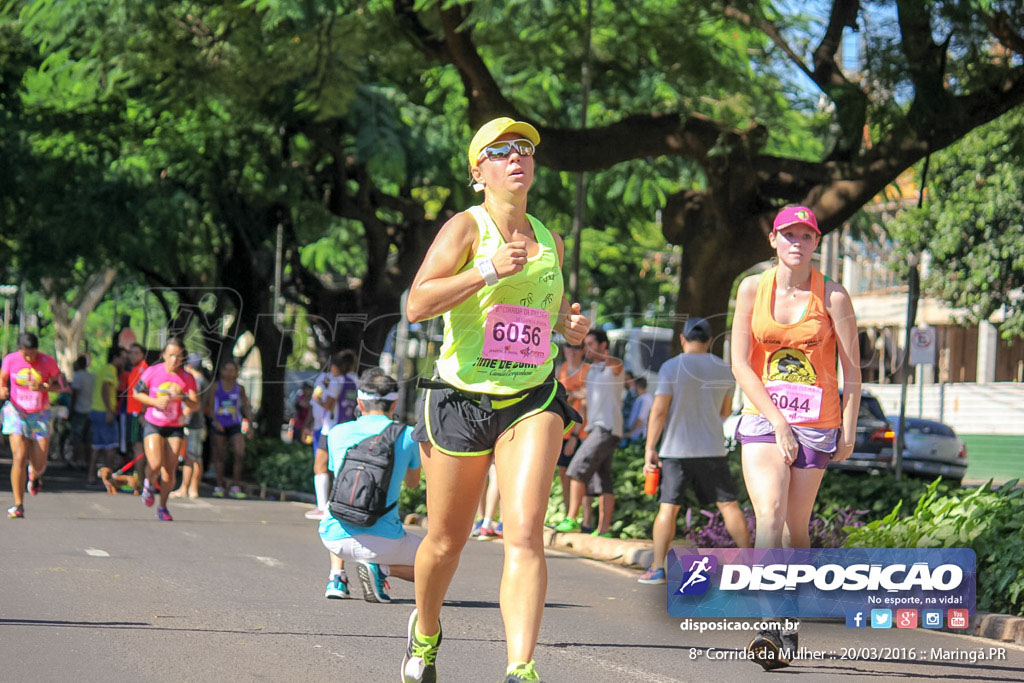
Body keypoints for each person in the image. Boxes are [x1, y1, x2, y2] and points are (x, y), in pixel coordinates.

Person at [402, 117, 590, 683]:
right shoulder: (466, 228)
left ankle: (520, 667)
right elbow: (416, 304)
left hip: (531, 398)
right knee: (444, 541)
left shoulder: (550, 239)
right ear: (477, 171)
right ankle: (426, 632)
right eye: (502, 150)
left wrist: (571, 327)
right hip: (460, 400)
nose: (518, 158)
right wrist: (485, 270)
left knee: (525, 530)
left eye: (526, 150)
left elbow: (551, 315)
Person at [730, 206, 861, 669]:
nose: (796, 243)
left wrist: (848, 429)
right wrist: (778, 422)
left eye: (806, 235)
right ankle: (770, 623)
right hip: (764, 420)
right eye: (789, 234)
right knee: (768, 513)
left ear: (816, 243)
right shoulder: (751, 289)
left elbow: (853, 373)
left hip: (818, 423)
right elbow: (740, 364)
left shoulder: (835, 297)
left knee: (794, 529)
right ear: (773, 239)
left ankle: (789, 618)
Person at [638, 317, 750, 585]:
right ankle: (751, 566)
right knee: (729, 505)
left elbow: (660, 410)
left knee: (669, 508)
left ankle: (657, 569)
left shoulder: (670, 367)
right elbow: (724, 412)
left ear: (682, 339)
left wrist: (650, 447)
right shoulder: (724, 369)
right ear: (710, 340)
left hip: (675, 449)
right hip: (712, 448)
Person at [319, 368, 421, 602]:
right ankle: (383, 570)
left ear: (360, 403)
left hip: (334, 537)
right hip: (385, 543)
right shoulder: (407, 435)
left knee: (339, 502)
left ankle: (337, 576)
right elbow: (414, 484)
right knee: (439, 560)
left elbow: (341, 481)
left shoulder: (337, 432)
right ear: (394, 405)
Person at [556, 328, 624, 538]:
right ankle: (603, 529)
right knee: (603, 479)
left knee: (576, 469)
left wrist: (599, 356)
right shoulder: (591, 371)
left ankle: (571, 519)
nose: (587, 348)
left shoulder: (614, 367)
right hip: (596, 427)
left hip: (607, 427)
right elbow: (584, 398)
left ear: (604, 345)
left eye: (592, 344)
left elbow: (615, 363)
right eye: (586, 344)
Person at [131, 337, 200, 522]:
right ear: (164, 355)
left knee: (169, 471)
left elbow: (196, 404)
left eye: (178, 357)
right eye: (170, 356)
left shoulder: (187, 378)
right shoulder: (153, 372)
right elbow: (136, 392)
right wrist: (154, 402)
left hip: (175, 427)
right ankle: (148, 484)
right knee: (154, 464)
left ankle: (162, 506)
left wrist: (183, 397)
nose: (174, 360)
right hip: (153, 423)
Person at [1, 333, 62, 518]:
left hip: (40, 413)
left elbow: (61, 385)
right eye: (26, 354)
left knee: (39, 462)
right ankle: (18, 504)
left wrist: (44, 388)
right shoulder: (10, 360)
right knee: (18, 456)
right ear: (20, 350)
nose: (30, 358)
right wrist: (2, 390)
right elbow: (2, 380)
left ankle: (35, 475)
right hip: (16, 412)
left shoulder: (48, 361)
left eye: (33, 354)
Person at [305, 350, 355, 520]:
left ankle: (322, 507)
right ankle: (343, 505)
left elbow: (328, 405)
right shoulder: (354, 381)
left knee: (320, 466)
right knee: (341, 468)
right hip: (348, 427)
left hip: (331, 429)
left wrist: (317, 398)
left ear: (335, 367)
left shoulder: (336, 381)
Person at [206, 358, 253, 498]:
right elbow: (209, 407)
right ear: (222, 371)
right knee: (220, 455)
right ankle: (219, 485)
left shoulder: (239, 388)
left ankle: (235, 486)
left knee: (239, 453)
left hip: (235, 424)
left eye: (233, 370)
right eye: (227, 369)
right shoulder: (215, 386)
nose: (230, 372)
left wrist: (249, 424)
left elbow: (245, 406)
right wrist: (215, 421)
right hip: (219, 424)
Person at [553, 342, 589, 519]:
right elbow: (559, 399)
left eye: (576, 348)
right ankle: (568, 515)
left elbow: (585, 403)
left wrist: (575, 435)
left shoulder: (587, 370)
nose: (571, 351)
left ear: (583, 350)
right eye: (568, 347)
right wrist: (574, 395)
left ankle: (580, 517)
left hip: (580, 432)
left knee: (578, 476)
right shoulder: (562, 369)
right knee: (564, 475)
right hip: (562, 431)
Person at [87, 347, 128, 488]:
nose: (124, 360)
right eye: (122, 357)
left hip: (96, 410)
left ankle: (91, 476)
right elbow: (105, 388)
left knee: (97, 446)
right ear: (115, 357)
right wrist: (110, 411)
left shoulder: (104, 368)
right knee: (110, 446)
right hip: (104, 411)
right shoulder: (110, 369)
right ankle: (110, 480)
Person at [171, 353, 210, 500]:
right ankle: (192, 488)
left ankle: (187, 488)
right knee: (196, 457)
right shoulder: (204, 380)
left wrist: (184, 418)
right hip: (200, 423)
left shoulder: (196, 381)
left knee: (190, 458)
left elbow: (193, 404)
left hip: (192, 424)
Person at [124, 343, 149, 486]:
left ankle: (140, 482)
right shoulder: (135, 368)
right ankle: (140, 480)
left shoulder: (143, 369)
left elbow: (145, 390)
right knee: (136, 447)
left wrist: (142, 412)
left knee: (139, 448)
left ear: (142, 355)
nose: (132, 355)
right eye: (130, 352)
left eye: (136, 353)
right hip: (132, 412)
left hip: (137, 413)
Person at [69, 354, 94, 470]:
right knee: (88, 439)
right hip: (91, 410)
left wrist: (71, 408)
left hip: (79, 410)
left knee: (77, 438)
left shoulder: (78, 376)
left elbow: (75, 394)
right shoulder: (92, 376)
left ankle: (77, 460)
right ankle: (88, 462)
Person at [625, 376, 653, 443]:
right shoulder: (641, 398)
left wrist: (631, 433)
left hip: (639, 436)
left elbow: (641, 418)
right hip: (635, 435)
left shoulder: (646, 399)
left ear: (637, 386)